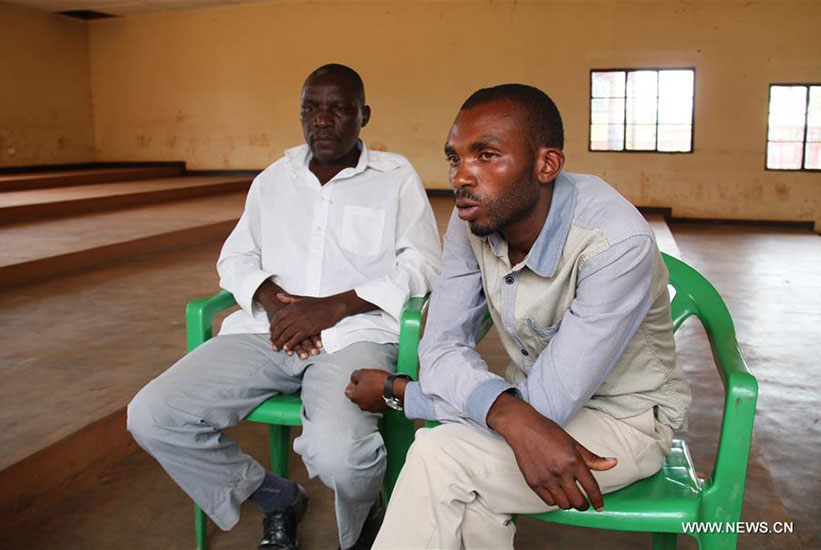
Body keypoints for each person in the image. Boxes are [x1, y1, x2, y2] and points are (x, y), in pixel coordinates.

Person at [346, 84, 692, 548]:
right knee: (466, 491)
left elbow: (548, 403)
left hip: (622, 424)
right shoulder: (472, 218)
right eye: (455, 158)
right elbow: (442, 347)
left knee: (439, 455)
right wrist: (510, 414)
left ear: (547, 165)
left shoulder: (614, 244)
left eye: (486, 156)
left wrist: (404, 393)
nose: (462, 176)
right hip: (524, 405)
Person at [127, 64, 441, 550]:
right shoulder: (274, 179)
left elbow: (423, 264)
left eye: (338, 109)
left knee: (342, 458)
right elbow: (236, 257)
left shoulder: (395, 178)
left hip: (353, 338)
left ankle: (363, 512)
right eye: (311, 109)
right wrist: (273, 302)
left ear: (364, 115)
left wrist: (333, 307)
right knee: (153, 414)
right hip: (264, 334)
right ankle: (277, 497)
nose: (322, 120)